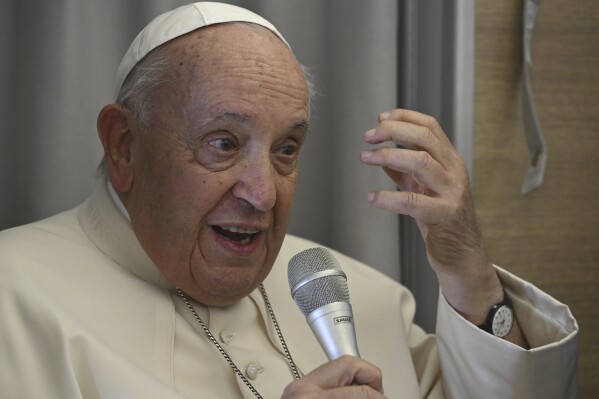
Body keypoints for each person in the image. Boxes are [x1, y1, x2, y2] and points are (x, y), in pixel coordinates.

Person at [0, 2, 578, 398]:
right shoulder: (12, 297)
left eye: (286, 149)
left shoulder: (356, 295)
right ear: (125, 147)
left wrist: (471, 273)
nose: (262, 194)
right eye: (222, 144)